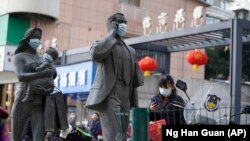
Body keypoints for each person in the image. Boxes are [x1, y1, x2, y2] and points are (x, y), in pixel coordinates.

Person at [86, 13, 144, 141]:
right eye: (119, 22)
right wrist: (112, 33)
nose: (123, 24)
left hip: (125, 96)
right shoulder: (104, 45)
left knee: (122, 134)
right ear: (112, 25)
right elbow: (95, 53)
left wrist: (134, 102)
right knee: (113, 135)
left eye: (124, 22)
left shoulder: (131, 50)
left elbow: (134, 80)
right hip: (110, 94)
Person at [11, 27, 56, 141]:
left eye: (39, 38)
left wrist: (48, 87)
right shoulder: (19, 56)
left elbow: (52, 75)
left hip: (39, 101)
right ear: (27, 38)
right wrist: (42, 74)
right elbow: (21, 76)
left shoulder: (42, 58)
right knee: (16, 137)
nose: (37, 40)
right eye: (34, 37)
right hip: (22, 100)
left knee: (39, 137)